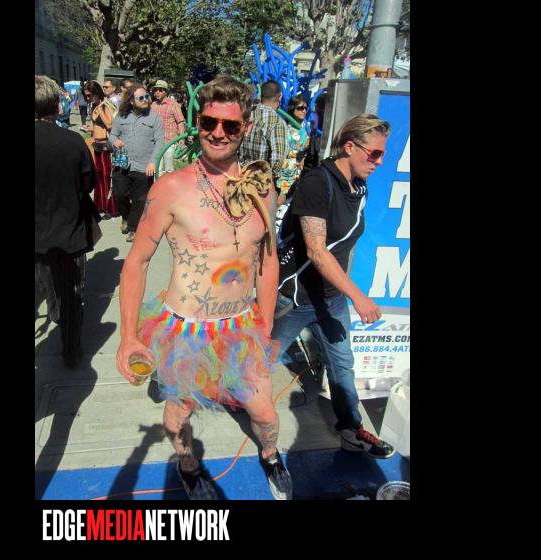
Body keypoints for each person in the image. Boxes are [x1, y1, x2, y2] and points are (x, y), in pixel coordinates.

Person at [115, 76, 293, 501]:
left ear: (246, 127)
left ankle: (270, 455)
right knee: (178, 417)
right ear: (198, 122)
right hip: (186, 331)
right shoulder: (171, 188)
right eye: (209, 122)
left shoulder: (261, 188)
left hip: (241, 327)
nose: (218, 133)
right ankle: (188, 465)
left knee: (266, 414)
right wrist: (128, 337)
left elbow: (268, 260)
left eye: (230, 125)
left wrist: (266, 325)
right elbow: (136, 263)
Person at [271, 113, 396, 459]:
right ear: (350, 147)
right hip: (296, 298)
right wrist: (359, 296)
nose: (379, 162)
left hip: (331, 299)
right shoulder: (317, 183)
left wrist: (344, 292)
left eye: (383, 154)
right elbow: (316, 250)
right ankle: (233, 398)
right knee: (259, 363)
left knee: (343, 366)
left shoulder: (359, 186)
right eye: (374, 154)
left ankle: (351, 430)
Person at [35, 75, 99, 368]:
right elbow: (89, 182)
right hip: (71, 229)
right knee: (72, 293)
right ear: (56, 106)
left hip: (40, 235)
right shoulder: (73, 141)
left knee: (50, 287)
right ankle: (71, 349)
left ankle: (57, 315)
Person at [109, 83, 164, 242]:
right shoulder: (121, 116)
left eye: (147, 96)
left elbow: (160, 141)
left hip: (144, 166)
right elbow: (113, 135)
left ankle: (133, 228)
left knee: (140, 199)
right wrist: (115, 141)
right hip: (122, 164)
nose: (146, 99)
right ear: (132, 101)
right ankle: (126, 217)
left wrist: (153, 162)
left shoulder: (154, 118)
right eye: (141, 97)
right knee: (119, 195)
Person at [239, 80, 288, 190]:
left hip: (241, 177)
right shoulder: (276, 122)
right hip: (260, 184)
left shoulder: (248, 114)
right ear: (280, 97)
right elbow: (278, 159)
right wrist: (268, 180)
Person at [84, 80, 118, 218]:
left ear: (96, 93)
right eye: (86, 96)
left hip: (106, 146)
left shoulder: (105, 105)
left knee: (106, 176)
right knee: (99, 175)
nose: (88, 98)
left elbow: (110, 124)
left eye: (89, 95)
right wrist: (89, 128)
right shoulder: (96, 106)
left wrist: (101, 108)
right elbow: (96, 126)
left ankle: (110, 206)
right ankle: (101, 204)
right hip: (97, 144)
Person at [275, 94, 310, 205]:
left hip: (296, 172)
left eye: (305, 108)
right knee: (280, 203)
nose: (304, 111)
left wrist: (303, 159)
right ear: (292, 109)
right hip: (285, 173)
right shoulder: (285, 128)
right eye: (300, 108)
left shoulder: (303, 127)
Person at [150, 79, 186, 176]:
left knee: (169, 169)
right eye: (155, 90)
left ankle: (169, 185)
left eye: (160, 90)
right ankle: (157, 185)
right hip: (156, 142)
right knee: (157, 168)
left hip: (169, 141)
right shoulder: (153, 105)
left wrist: (182, 139)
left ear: (166, 92)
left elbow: (180, 122)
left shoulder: (173, 104)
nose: (157, 92)